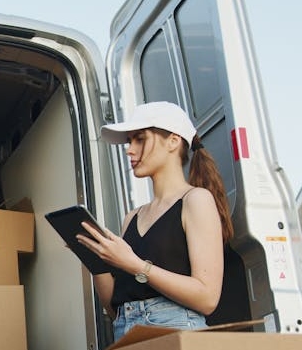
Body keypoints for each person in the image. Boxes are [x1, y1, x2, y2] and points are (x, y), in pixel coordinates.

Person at [76, 101, 234, 342]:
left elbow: (207, 297)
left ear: (173, 141)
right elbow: (114, 308)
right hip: (125, 332)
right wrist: (94, 259)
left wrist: (135, 265)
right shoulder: (132, 217)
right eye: (130, 142)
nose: (129, 150)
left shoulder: (196, 200)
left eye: (140, 139)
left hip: (177, 330)